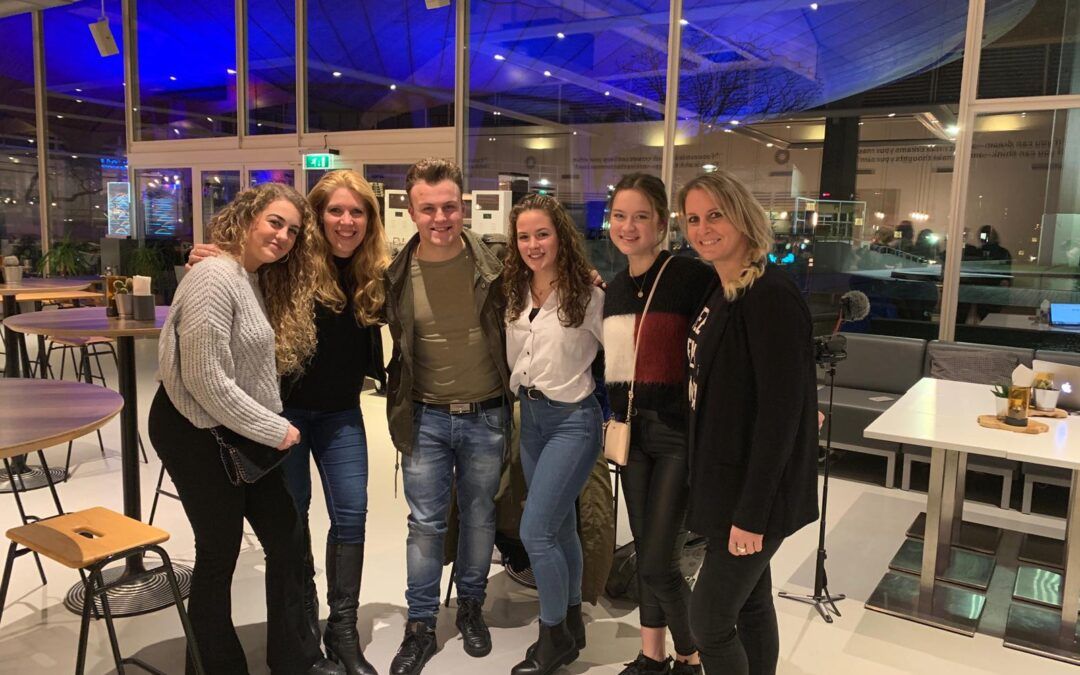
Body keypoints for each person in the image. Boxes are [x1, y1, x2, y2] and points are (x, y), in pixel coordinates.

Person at [187, 170, 388, 675]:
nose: (346, 221)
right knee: (292, 525)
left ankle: (342, 628)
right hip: (284, 414)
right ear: (318, 217)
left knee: (352, 514)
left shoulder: (375, 273)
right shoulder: (290, 263)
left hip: (341, 414)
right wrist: (205, 257)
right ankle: (302, 625)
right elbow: (240, 268)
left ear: (370, 220)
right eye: (335, 210)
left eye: (357, 212)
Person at [149, 183, 344, 675]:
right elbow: (205, 378)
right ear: (247, 217)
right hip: (195, 428)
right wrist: (275, 429)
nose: (283, 236)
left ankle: (295, 658)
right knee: (219, 552)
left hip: (236, 428)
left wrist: (262, 426)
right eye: (275, 222)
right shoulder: (215, 276)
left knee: (286, 537)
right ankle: (214, 666)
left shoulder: (251, 275)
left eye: (292, 231)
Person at [679, 171, 819, 675]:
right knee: (751, 604)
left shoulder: (769, 294)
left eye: (715, 215)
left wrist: (753, 514)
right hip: (726, 484)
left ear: (743, 217)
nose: (703, 229)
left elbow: (781, 415)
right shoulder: (722, 289)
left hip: (754, 494)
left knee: (709, 621)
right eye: (693, 219)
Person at [383, 158, 512, 675]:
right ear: (411, 211)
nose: (440, 218)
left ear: (464, 206)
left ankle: (470, 607)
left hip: (487, 413)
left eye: (450, 207)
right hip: (425, 417)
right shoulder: (394, 273)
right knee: (425, 524)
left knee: (480, 515)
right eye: (428, 208)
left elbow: (554, 269)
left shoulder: (497, 262)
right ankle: (420, 624)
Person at [602, 173, 713, 675]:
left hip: (676, 435)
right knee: (648, 550)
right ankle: (652, 655)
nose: (628, 226)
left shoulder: (689, 278)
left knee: (657, 561)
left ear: (663, 223)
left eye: (640, 216)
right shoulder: (615, 289)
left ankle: (691, 655)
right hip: (632, 435)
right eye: (620, 216)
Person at [502, 194, 604, 675]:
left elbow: (622, 358)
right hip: (531, 418)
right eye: (524, 236)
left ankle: (552, 637)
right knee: (560, 528)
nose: (533, 244)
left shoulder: (589, 295)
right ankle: (572, 623)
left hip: (573, 421)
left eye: (542, 233)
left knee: (535, 531)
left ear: (561, 236)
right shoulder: (514, 290)